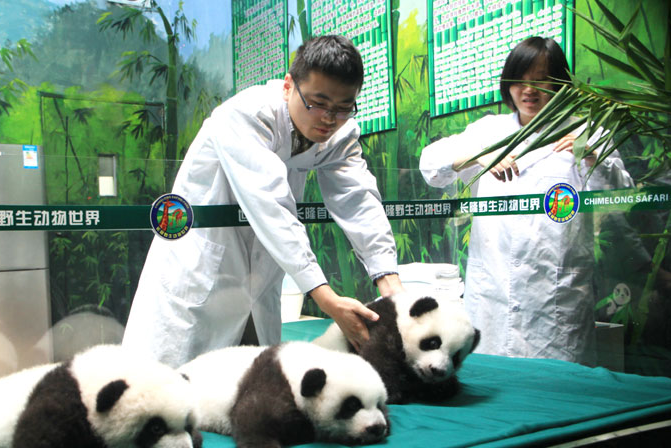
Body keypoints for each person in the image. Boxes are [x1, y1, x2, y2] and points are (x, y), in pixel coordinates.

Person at [123, 35, 403, 366]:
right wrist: (327, 300)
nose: (329, 118)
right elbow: (272, 207)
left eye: (343, 107)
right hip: (199, 277)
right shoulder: (246, 115)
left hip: (257, 284)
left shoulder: (340, 134)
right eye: (318, 103)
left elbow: (358, 200)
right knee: (167, 394)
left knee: (250, 394)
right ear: (289, 86)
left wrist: (393, 289)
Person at [419, 36, 633, 365]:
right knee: (493, 391)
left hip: (555, 303)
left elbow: (622, 197)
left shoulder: (585, 131)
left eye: (541, 80)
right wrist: (479, 155)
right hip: (493, 297)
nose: (528, 90)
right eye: (519, 80)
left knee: (557, 394)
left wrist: (591, 155)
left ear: (560, 84)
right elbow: (431, 165)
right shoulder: (488, 131)